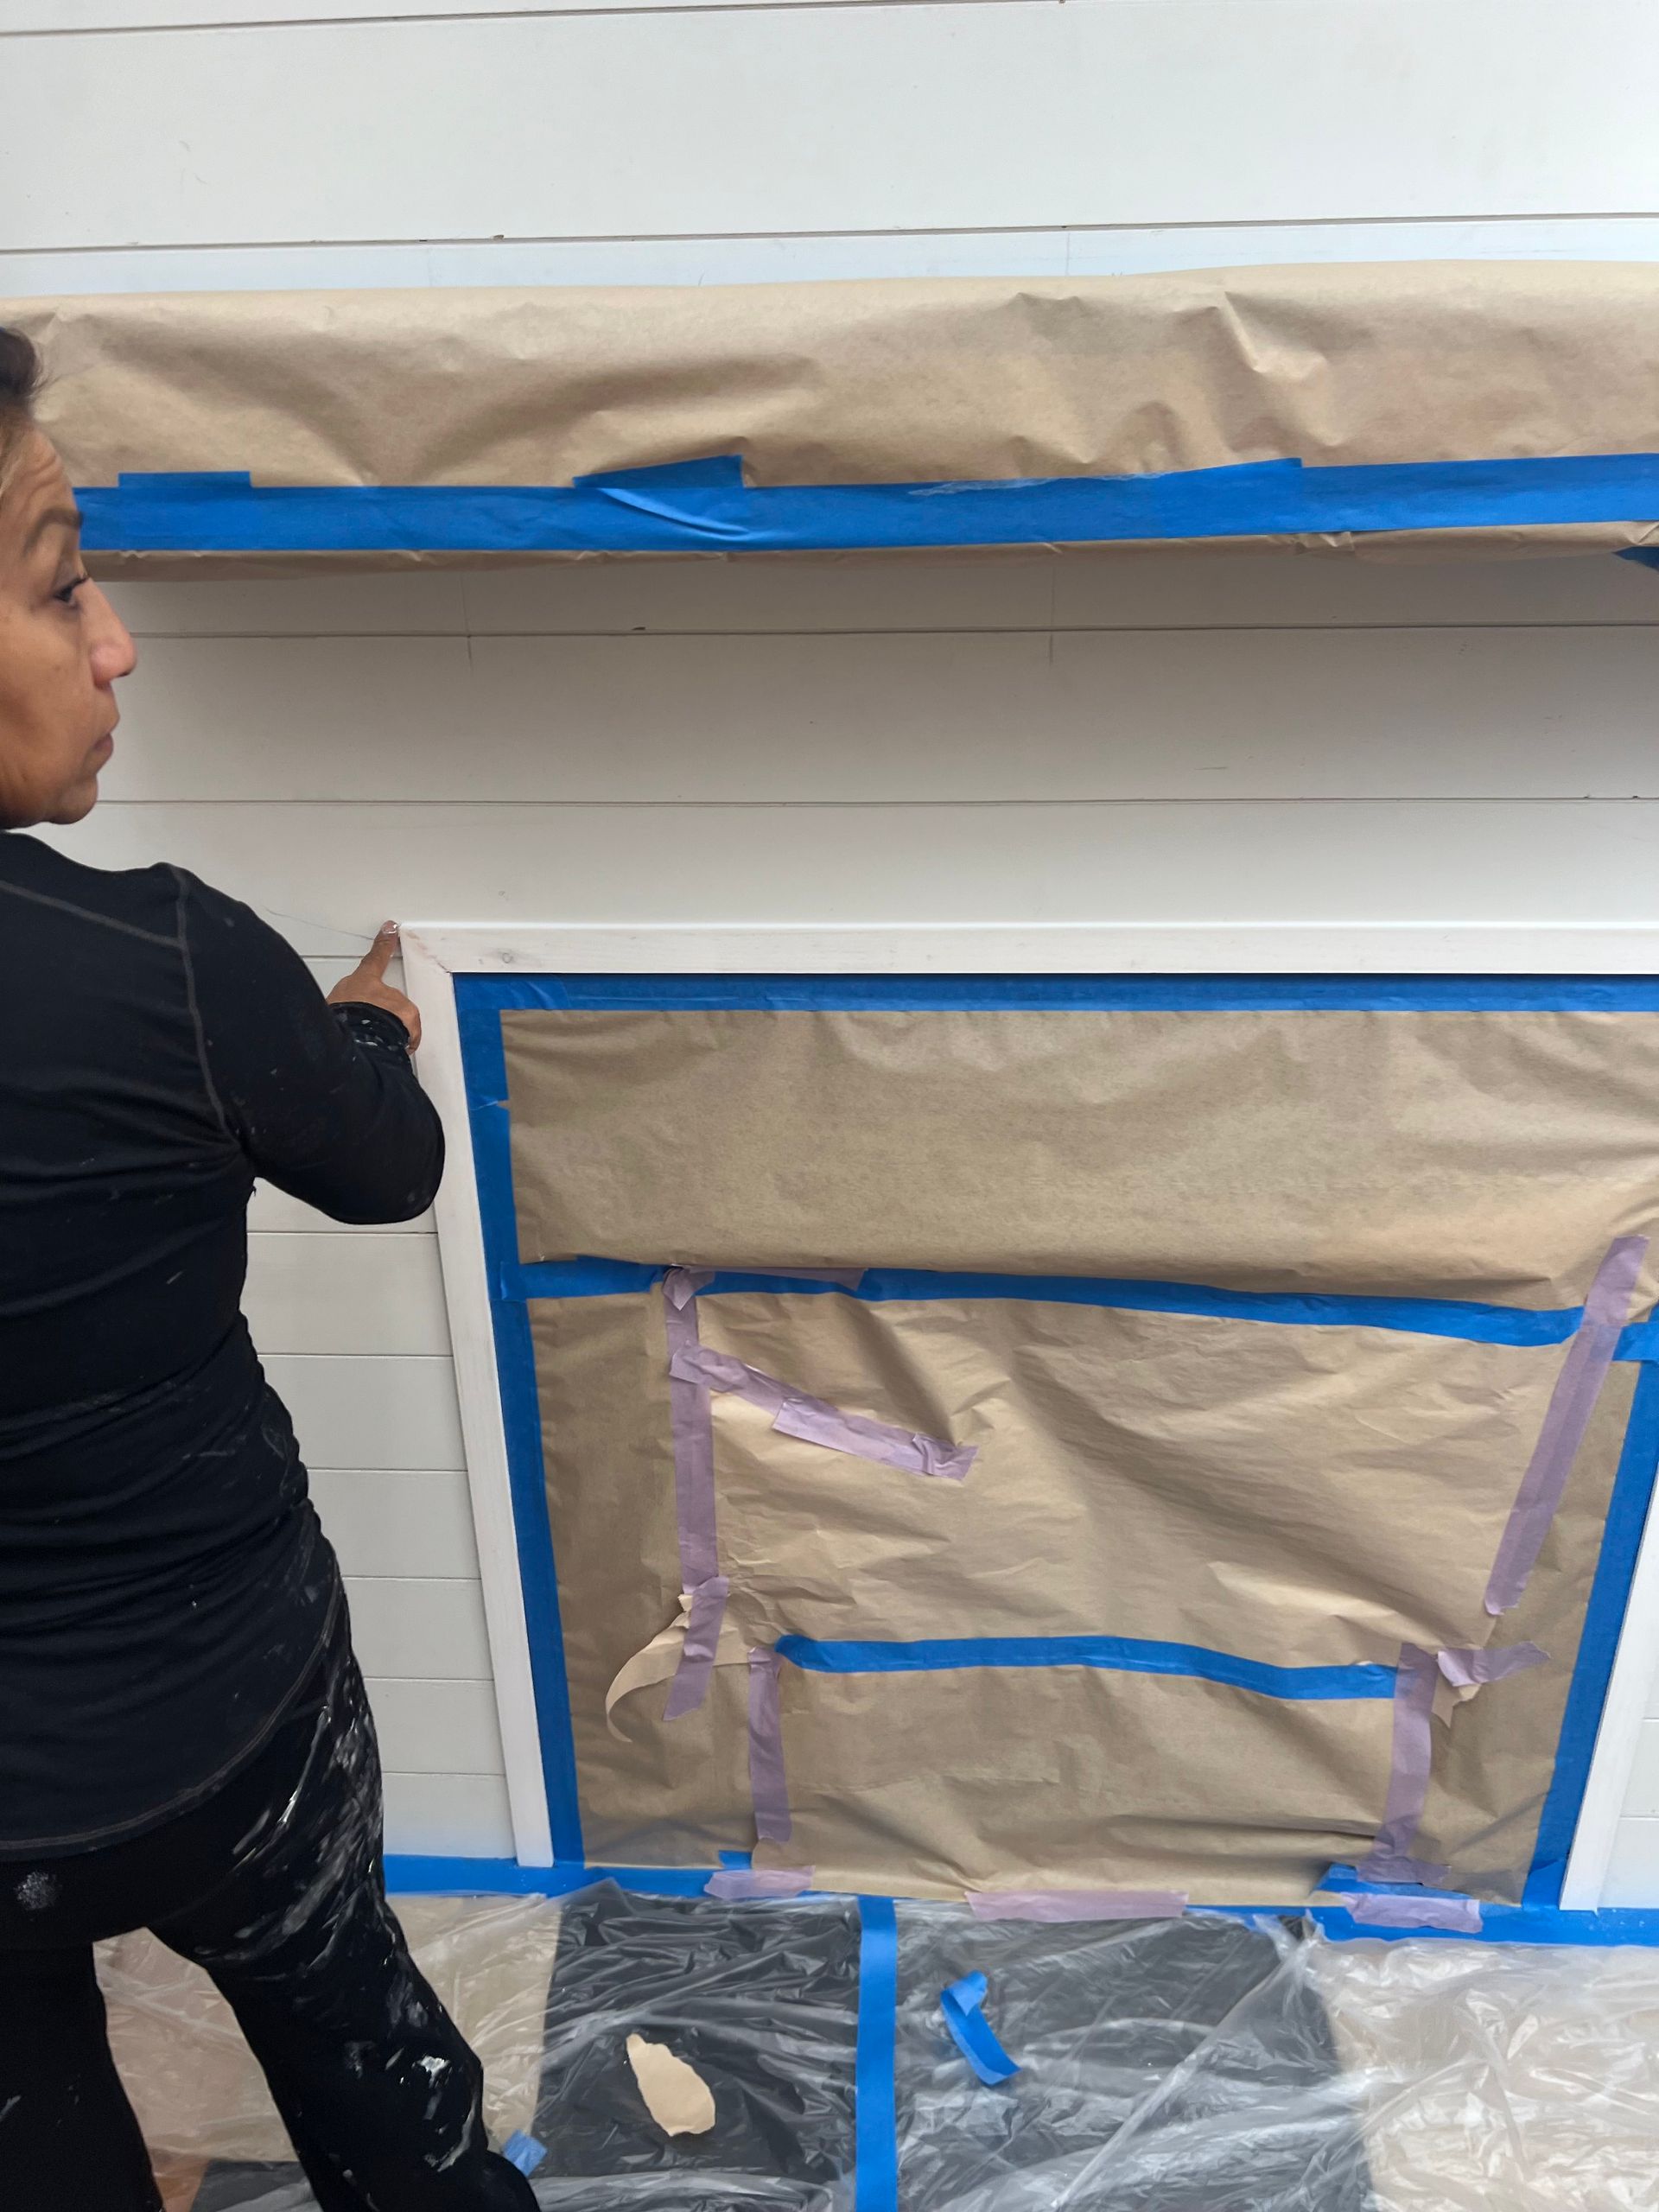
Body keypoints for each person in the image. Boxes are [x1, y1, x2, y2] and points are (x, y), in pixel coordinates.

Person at [0, 336, 540, 2208]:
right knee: (374, 2073)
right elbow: (385, 1172)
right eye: (63, 577)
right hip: (223, 1724)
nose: (116, 642)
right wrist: (367, 1029)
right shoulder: (164, 965)